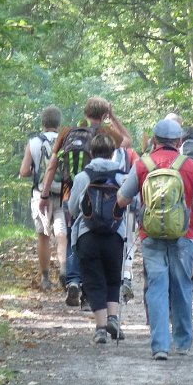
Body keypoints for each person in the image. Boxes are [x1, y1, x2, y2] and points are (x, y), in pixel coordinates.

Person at [116, 119, 193, 361]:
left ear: (154, 141)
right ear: (179, 142)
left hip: (151, 235)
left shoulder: (142, 165)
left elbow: (122, 199)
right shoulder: (190, 166)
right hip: (184, 234)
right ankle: (183, 342)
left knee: (157, 287)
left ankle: (160, 345)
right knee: (182, 286)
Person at [38, 97, 131, 307]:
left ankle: (73, 280)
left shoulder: (68, 132)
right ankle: (89, 293)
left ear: (85, 112)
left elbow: (52, 166)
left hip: (71, 192)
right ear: (104, 113)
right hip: (99, 194)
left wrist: (44, 195)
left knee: (73, 236)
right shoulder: (106, 133)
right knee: (93, 237)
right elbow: (127, 141)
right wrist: (113, 117)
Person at [67, 133, 128, 344]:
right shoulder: (122, 176)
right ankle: (113, 318)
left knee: (93, 281)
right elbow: (129, 204)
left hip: (88, 236)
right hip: (115, 236)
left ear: (90, 153)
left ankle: (101, 329)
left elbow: (73, 209)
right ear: (113, 153)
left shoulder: (82, 177)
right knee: (113, 278)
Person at [19, 106, 66, 291]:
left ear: (43, 122)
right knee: (62, 234)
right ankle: (64, 268)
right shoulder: (65, 141)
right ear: (58, 123)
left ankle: (45, 278)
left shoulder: (34, 142)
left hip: (40, 196)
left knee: (43, 235)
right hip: (62, 194)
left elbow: (24, 171)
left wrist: (34, 170)